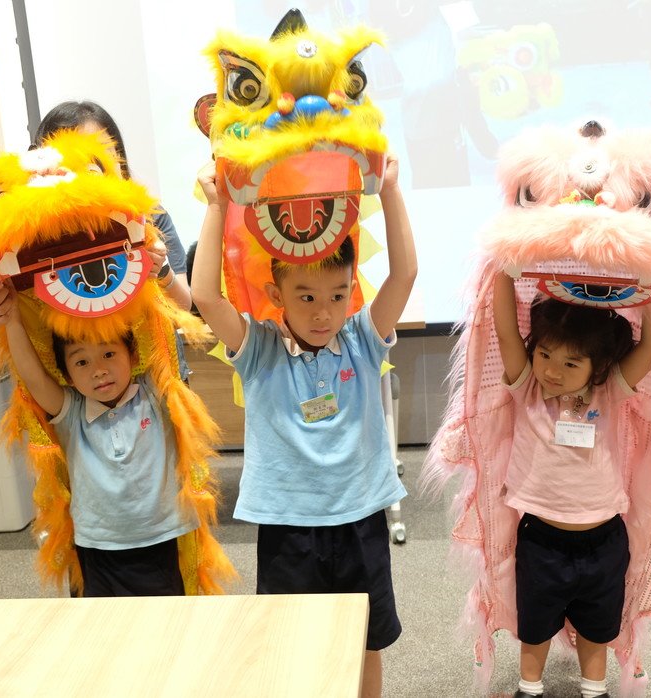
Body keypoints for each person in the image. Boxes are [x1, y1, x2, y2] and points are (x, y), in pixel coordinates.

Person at [191, 153, 417, 698]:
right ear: (277, 296)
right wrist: (217, 206)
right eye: (306, 297)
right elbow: (204, 297)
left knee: (366, 643)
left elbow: (404, 274)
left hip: (359, 519)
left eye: (338, 296)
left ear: (351, 291)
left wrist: (388, 190)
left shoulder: (362, 339)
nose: (323, 312)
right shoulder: (259, 349)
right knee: (293, 645)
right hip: (288, 527)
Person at [491, 272, 651, 698]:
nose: (552, 371)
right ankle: (528, 688)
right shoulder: (528, 388)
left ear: (598, 366)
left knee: (598, 624)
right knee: (534, 623)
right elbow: (506, 331)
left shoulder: (609, 391)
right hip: (541, 540)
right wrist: (503, 271)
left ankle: (594, 689)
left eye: (571, 364)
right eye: (544, 354)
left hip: (603, 541)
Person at [0, 276, 197, 597]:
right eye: (81, 361)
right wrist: (12, 319)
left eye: (109, 354)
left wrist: (149, 275)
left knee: (162, 621)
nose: (98, 370)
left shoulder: (154, 394)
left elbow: (164, 326)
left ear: (133, 356)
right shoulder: (71, 411)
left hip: (158, 538)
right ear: (67, 375)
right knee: (100, 622)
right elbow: (32, 375)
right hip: (97, 547)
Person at [0, 100, 195, 380]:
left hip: (158, 380)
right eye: (74, 159)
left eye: (102, 155)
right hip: (74, 390)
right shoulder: (23, 234)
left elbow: (183, 306)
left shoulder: (147, 217)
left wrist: (161, 269)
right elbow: (1, 322)